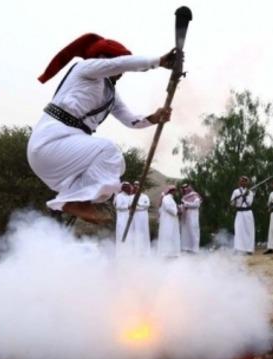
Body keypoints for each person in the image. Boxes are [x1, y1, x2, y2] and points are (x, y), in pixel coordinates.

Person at [27, 34, 175, 224]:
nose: (122, 73)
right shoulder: (85, 68)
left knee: (114, 169)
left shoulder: (111, 94)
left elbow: (130, 120)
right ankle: (72, 202)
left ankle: (76, 201)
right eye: (119, 62)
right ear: (103, 58)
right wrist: (160, 61)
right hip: (50, 141)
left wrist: (153, 118)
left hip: (63, 159)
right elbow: (119, 65)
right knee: (108, 151)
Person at [230, 176, 255, 254]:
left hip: (247, 213)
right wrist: (238, 198)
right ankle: (238, 248)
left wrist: (245, 196)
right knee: (238, 230)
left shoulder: (250, 192)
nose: (243, 182)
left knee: (248, 231)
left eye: (245, 181)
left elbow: (249, 203)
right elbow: (232, 203)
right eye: (242, 181)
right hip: (239, 213)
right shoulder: (236, 191)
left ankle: (249, 249)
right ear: (239, 182)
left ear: (247, 183)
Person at [157, 186, 180, 257]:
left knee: (172, 235)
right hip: (167, 221)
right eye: (174, 191)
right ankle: (165, 253)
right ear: (171, 191)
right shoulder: (166, 198)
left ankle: (171, 252)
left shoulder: (170, 199)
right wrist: (177, 211)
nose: (175, 193)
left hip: (171, 220)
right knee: (167, 235)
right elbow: (168, 207)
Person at [129, 181, 152, 255]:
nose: (136, 187)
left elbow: (147, 205)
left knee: (144, 231)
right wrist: (139, 207)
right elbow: (130, 206)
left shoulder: (145, 196)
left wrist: (139, 205)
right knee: (136, 231)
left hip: (144, 215)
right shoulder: (131, 197)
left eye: (138, 185)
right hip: (135, 216)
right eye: (135, 185)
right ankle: (136, 250)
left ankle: (145, 250)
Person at [179, 184, 201, 253]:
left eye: (186, 187)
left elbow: (196, 205)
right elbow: (183, 205)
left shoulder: (194, 195)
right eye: (183, 188)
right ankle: (186, 247)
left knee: (193, 231)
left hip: (193, 215)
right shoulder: (184, 197)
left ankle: (195, 249)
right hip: (186, 216)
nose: (185, 189)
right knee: (185, 231)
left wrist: (185, 204)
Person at [113, 182, 133, 253]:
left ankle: (127, 251)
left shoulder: (128, 196)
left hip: (127, 217)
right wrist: (127, 207)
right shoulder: (119, 196)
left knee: (128, 235)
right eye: (129, 187)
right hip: (121, 218)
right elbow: (118, 207)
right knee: (121, 234)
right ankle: (120, 252)